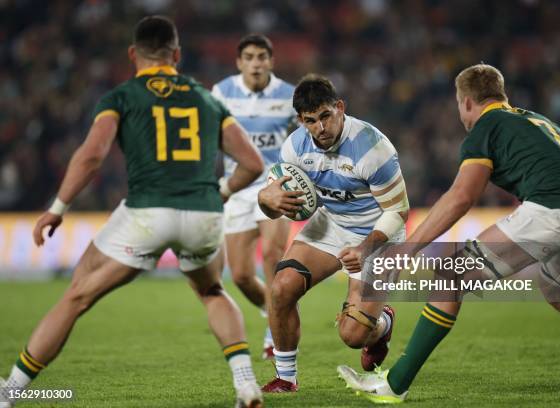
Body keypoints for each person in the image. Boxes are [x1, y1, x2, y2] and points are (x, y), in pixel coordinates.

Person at [0, 16, 265, 408]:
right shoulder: (208, 99)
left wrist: (57, 208)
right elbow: (253, 163)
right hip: (203, 213)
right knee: (211, 290)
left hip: (146, 212)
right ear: (176, 55)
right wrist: (220, 192)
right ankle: (246, 384)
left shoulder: (122, 97)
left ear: (132, 55)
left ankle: (10, 392)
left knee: (77, 295)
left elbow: (91, 156)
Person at [337, 63, 560, 402]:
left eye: (458, 104)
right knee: (559, 289)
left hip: (553, 210)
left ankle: (395, 385)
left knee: (450, 276)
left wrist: (408, 249)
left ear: (466, 101)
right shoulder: (536, 120)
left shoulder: (485, 127)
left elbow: (461, 197)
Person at [257, 74, 411, 392]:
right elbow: (279, 204)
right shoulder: (294, 148)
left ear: (339, 108)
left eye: (326, 116)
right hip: (332, 224)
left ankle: (382, 325)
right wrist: (265, 200)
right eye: (310, 121)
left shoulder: (373, 147)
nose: (320, 128)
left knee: (353, 336)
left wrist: (364, 249)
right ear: (301, 120)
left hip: (379, 235)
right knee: (281, 288)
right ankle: (286, 379)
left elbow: (398, 211)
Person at [211, 34, 296, 360]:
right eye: (249, 57)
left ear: (271, 61)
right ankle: (272, 311)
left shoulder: (288, 95)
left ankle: (275, 331)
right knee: (243, 275)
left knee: (273, 256)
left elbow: (304, 138)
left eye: (262, 56)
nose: (256, 63)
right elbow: (209, 134)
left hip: (276, 185)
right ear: (239, 62)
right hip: (238, 187)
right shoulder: (222, 92)